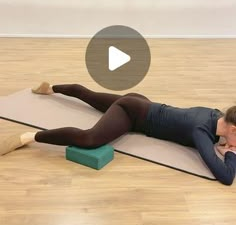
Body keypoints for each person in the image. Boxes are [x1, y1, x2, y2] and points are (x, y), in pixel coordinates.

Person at [1, 82, 236, 185]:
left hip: (142, 102)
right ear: (233, 128)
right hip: (132, 113)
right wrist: (231, 152)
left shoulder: (214, 114)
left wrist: (224, 141)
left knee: (91, 97)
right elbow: (226, 177)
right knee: (89, 139)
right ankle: (28, 137)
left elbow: (218, 136)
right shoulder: (200, 131)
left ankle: (50, 88)